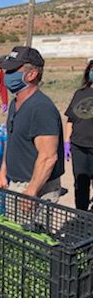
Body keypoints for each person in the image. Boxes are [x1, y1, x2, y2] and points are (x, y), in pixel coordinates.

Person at [0, 46, 64, 204]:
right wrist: (3, 171)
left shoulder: (41, 108)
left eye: (12, 71)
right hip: (17, 182)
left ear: (32, 74)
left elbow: (48, 157)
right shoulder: (16, 103)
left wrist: (31, 191)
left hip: (36, 186)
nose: (7, 75)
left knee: (31, 229)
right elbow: (12, 140)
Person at [64, 61, 93, 211]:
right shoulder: (80, 93)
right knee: (81, 182)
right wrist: (67, 142)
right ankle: (81, 213)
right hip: (78, 146)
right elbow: (70, 119)